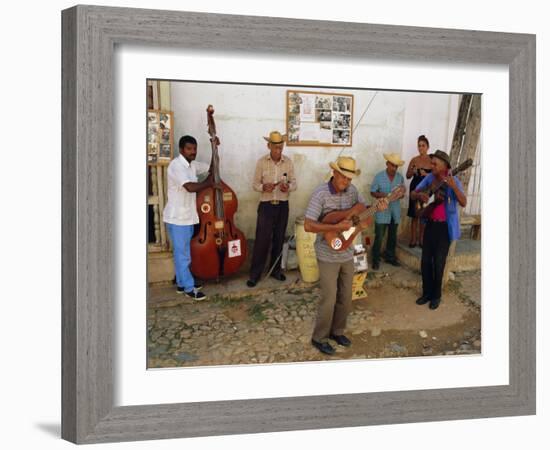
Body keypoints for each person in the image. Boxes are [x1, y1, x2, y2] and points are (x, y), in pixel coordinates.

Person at [304, 156, 388, 355]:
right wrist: (334, 226)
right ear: (334, 173)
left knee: (345, 295)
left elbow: (363, 213)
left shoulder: (353, 192)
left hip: (347, 252)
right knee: (329, 296)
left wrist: (377, 207)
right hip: (327, 254)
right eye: (344, 178)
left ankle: (337, 331)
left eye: (350, 179)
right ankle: (319, 337)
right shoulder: (320, 194)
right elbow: (308, 225)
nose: (347, 182)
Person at [411, 150, 467, 310]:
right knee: (425, 261)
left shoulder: (453, 179)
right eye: (432, 162)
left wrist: (454, 187)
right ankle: (426, 293)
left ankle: (436, 296)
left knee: (439, 263)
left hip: (444, 228)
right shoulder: (429, 178)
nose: (431, 166)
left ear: (445, 166)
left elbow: (463, 202)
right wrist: (420, 196)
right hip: (429, 224)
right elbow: (414, 193)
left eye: (435, 163)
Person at [163, 135, 214, 300]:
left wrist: (215, 147)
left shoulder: (192, 165)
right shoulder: (176, 166)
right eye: (189, 149)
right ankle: (189, 288)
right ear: (181, 150)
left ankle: (181, 283)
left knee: (182, 252)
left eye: (194, 148)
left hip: (188, 216)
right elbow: (190, 187)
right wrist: (209, 182)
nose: (193, 152)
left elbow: (212, 167)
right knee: (183, 254)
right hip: (178, 218)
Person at [247, 131, 297, 287]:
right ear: (269, 146)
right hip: (266, 205)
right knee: (262, 240)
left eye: (281, 148)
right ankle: (255, 274)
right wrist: (263, 187)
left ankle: (276, 271)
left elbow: (294, 184)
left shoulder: (288, 162)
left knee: (279, 238)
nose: (278, 151)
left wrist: (287, 187)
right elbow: (254, 184)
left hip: (282, 205)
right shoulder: (261, 162)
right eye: (276, 148)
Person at [370, 153, 406, 270]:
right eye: (392, 165)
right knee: (379, 236)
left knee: (392, 236)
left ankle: (390, 257)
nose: (394, 168)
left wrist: (399, 195)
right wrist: (384, 195)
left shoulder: (400, 177)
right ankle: (375, 259)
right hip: (381, 211)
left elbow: (402, 192)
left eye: (396, 166)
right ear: (387, 164)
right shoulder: (379, 176)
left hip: (394, 211)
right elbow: (373, 192)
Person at [406, 135, 432, 247]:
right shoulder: (414, 160)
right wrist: (413, 171)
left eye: (423, 145)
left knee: (423, 215)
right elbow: (407, 176)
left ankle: (421, 239)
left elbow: (436, 175)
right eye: (419, 146)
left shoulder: (431, 160)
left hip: (426, 189)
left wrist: (426, 174)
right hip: (415, 189)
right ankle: (413, 239)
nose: (421, 148)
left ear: (427, 147)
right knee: (414, 215)